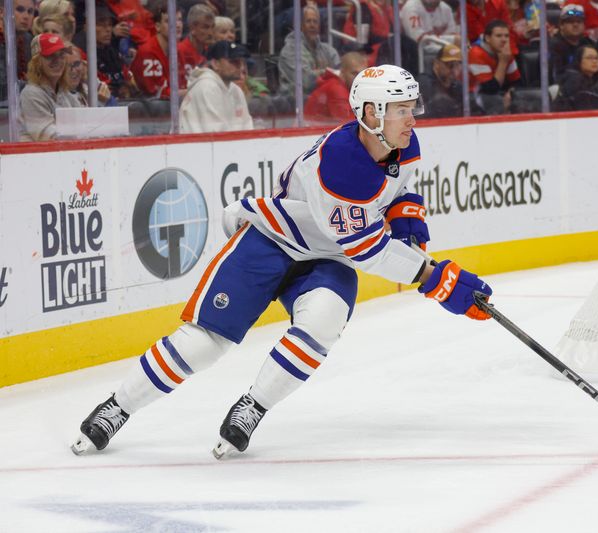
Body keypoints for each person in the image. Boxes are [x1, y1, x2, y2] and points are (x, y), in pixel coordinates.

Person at [71, 64, 493, 459]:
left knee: (323, 322)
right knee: (203, 343)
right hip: (274, 239)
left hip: (327, 257)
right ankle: (117, 407)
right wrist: (437, 280)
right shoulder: (341, 164)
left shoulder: (402, 144)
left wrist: (407, 219)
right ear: (370, 113)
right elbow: (367, 251)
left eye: (411, 108)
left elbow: (395, 192)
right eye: (402, 110)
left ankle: (253, 406)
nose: (412, 119)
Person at [179, 40, 253, 133]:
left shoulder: (235, 90)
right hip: (197, 146)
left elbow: (248, 129)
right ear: (215, 64)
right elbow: (215, 134)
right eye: (234, 61)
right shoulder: (206, 86)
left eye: (242, 62)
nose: (241, 66)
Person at [130, 0, 189, 99]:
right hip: (147, 112)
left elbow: (182, 85)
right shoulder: (148, 52)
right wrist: (192, 92)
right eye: (169, 21)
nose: (177, 25)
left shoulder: (177, 51)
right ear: (157, 26)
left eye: (179, 20)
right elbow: (157, 94)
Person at [18, 33, 71, 141]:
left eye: (61, 55)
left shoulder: (63, 92)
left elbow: (85, 121)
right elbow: (49, 137)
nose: (57, 60)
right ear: (36, 62)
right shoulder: (31, 94)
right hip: (34, 156)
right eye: (50, 56)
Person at [279, 3, 340, 95]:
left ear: (319, 26)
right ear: (301, 25)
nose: (312, 25)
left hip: (322, 99)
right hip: (294, 103)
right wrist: (330, 73)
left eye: (315, 22)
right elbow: (305, 80)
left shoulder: (329, 50)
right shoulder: (290, 50)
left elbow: (341, 73)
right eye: (308, 21)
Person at [469, 19, 521, 114]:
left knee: (520, 97)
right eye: (498, 36)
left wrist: (511, 92)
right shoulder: (476, 53)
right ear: (488, 38)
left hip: (495, 93)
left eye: (506, 36)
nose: (504, 40)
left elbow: (517, 81)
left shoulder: (506, 52)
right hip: (473, 95)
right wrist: (503, 62)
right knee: (496, 101)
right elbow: (490, 88)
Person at [304, 51, 369, 124]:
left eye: (363, 74)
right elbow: (349, 123)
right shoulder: (336, 88)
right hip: (309, 132)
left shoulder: (349, 87)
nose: (359, 78)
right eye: (354, 73)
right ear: (342, 73)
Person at [549, 4, 595, 84]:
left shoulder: (589, 44)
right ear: (561, 25)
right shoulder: (553, 46)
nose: (575, 25)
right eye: (570, 22)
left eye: (579, 21)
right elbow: (555, 77)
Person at [553, 44, 598, 111]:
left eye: (597, 58)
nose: (594, 61)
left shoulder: (595, 80)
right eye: (589, 58)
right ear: (579, 60)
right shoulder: (574, 80)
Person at [418, 43, 464, 118]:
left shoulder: (458, 86)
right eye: (450, 65)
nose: (454, 70)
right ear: (436, 63)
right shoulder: (424, 84)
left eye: (458, 65)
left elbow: (472, 109)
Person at [343, 0, 394, 66]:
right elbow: (364, 43)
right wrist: (389, 40)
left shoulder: (387, 8)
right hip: (360, 51)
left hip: (380, 48)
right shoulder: (363, 7)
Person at [178, 3, 216, 72]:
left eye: (212, 27)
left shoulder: (213, 53)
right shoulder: (179, 53)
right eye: (205, 27)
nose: (211, 33)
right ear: (192, 28)